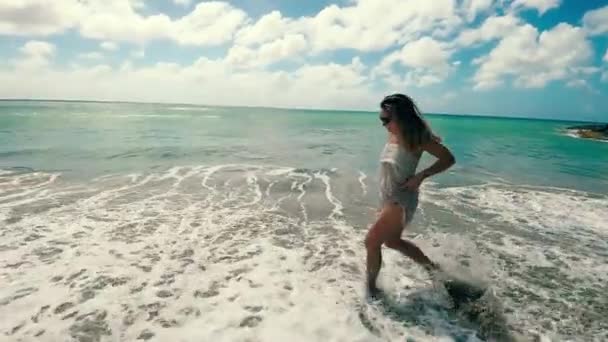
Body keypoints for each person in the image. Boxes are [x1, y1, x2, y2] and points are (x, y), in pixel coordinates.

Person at [365, 93, 456, 298]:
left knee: (371, 242)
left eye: (387, 120)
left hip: (401, 198)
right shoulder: (393, 135)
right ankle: (434, 271)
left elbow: (448, 159)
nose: (384, 124)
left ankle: (371, 291)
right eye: (381, 120)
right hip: (390, 197)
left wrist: (421, 176)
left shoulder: (417, 138)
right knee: (393, 242)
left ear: (402, 117)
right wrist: (382, 203)